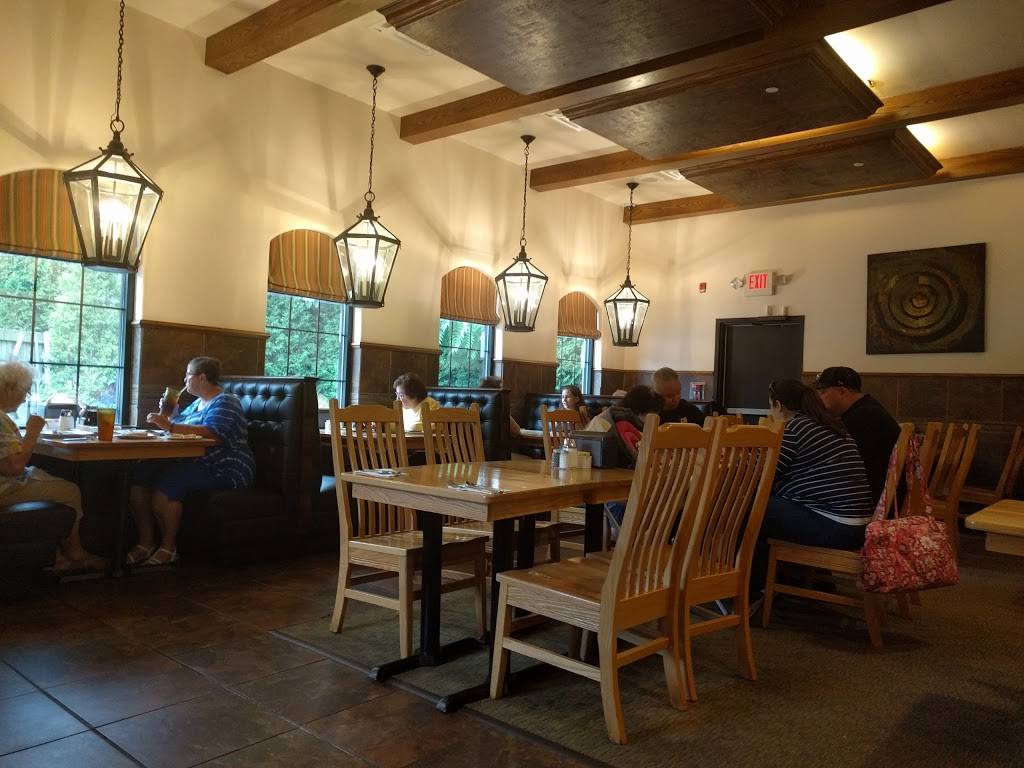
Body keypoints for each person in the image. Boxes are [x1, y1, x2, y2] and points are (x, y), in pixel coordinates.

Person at [128, 357, 255, 565]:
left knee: (170, 480)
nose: (185, 379)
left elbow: (214, 433)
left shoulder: (226, 401)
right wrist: (171, 416)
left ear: (202, 378)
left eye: (188, 374)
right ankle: (146, 542)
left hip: (224, 467)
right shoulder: (197, 403)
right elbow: (181, 426)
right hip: (195, 462)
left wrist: (169, 426)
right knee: (141, 474)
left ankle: (168, 547)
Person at [751, 379, 873, 593]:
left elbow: (763, 475)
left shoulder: (794, 429)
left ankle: (753, 588)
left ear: (778, 405)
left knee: (751, 507)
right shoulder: (828, 424)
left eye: (770, 406)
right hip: (859, 524)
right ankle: (787, 579)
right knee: (767, 505)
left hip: (838, 526)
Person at [0, 361, 105, 571]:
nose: (25, 398)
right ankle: (74, 553)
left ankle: (56, 555)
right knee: (70, 490)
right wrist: (32, 433)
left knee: (48, 476)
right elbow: (14, 468)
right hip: (5, 489)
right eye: (25, 391)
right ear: (10, 388)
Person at [814, 366, 900, 505]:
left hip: (874, 500)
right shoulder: (867, 409)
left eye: (823, 392)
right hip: (883, 494)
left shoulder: (863, 417)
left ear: (842, 391)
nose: (819, 398)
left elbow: (839, 464)